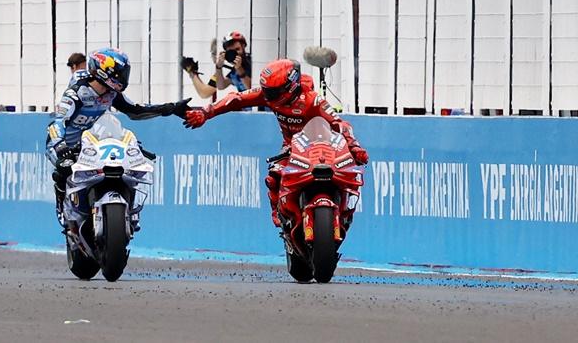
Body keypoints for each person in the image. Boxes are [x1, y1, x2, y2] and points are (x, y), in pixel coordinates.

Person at [183, 59, 369, 227]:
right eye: (267, 91)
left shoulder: (313, 100)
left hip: (321, 150)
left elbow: (340, 123)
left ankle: (343, 212)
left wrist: (354, 147)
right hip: (292, 150)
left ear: (290, 86)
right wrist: (206, 112)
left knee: (346, 175)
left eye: (274, 91)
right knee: (274, 176)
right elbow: (236, 99)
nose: (269, 96)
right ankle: (280, 214)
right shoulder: (266, 94)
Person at [45, 48, 190, 219]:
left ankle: (127, 214)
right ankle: (63, 206)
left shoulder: (111, 93)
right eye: (120, 73)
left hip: (86, 141)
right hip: (62, 143)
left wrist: (170, 108)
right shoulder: (76, 92)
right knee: (66, 168)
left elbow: (135, 111)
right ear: (104, 71)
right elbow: (58, 122)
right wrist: (60, 145)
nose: (123, 77)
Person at [187, 32, 253, 100]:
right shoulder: (233, 70)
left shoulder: (252, 64)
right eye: (213, 53)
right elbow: (221, 86)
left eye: (237, 49)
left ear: (243, 46)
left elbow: (252, 88)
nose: (215, 56)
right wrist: (218, 67)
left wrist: (192, 72)